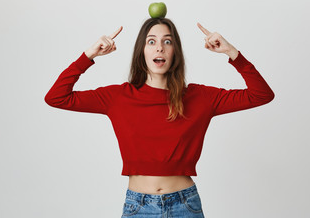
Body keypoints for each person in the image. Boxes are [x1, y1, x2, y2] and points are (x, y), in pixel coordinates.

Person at [44, 17, 274, 217]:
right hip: (138, 207)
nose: (160, 48)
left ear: (175, 52)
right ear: (142, 51)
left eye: (167, 41)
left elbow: (261, 95)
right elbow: (56, 97)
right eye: (151, 41)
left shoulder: (200, 97)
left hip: (185, 206)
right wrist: (89, 55)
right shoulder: (118, 97)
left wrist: (231, 52)